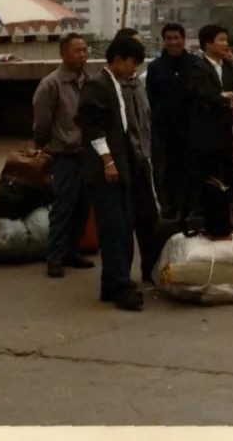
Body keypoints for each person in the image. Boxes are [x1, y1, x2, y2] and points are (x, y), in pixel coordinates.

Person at [76, 35, 148, 311]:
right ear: (118, 59)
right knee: (114, 229)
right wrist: (107, 160)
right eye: (132, 63)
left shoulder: (115, 85)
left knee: (123, 226)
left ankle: (113, 282)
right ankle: (118, 285)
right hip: (105, 169)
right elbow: (92, 128)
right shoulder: (97, 85)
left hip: (121, 165)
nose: (133, 69)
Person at [32, 32, 94, 278]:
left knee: (82, 206)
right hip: (64, 154)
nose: (82, 55)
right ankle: (55, 257)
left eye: (85, 50)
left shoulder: (90, 80)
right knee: (62, 207)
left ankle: (72, 251)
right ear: (63, 54)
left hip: (87, 152)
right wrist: (45, 145)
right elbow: (42, 121)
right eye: (77, 51)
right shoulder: (51, 84)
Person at [187, 24, 233, 233]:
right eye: (221, 39)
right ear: (208, 43)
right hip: (209, 138)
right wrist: (225, 98)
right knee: (212, 183)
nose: (225, 44)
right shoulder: (197, 68)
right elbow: (204, 96)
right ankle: (215, 226)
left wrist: (230, 96)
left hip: (232, 134)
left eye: (226, 39)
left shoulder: (230, 65)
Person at [114, 27, 161, 284]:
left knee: (148, 219)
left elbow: (146, 120)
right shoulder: (110, 87)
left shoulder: (138, 84)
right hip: (123, 163)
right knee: (124, 224)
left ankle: (150, 269)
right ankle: (122, 276)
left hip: (143, 160)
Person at [145, 23, 196, 219]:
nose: (173, 42)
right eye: (169, 38)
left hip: (190, 129)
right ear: (163, 40)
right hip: (164, 131)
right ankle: (169, 210)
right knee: (166, 172)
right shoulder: (155, 67)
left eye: (176, 38)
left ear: (183, 39)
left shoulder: (195, 64)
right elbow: (151, 98)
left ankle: (191, 208)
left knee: (191, 169)